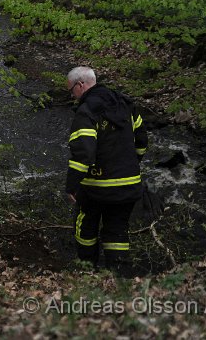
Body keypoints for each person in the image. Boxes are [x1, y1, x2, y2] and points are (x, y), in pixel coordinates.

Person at [64, 66, 148, 273]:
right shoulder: (125, 104)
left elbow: (83, 152)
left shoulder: (87, 111)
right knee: (117, 232)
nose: (72, 96)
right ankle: (119, 276)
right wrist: (130, 165)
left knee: (85, 229)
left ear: (81, 85)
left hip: (96, 188)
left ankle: (87, 272)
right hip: (128, 185)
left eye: (71, 90)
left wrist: (71, 186)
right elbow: (142, 141)